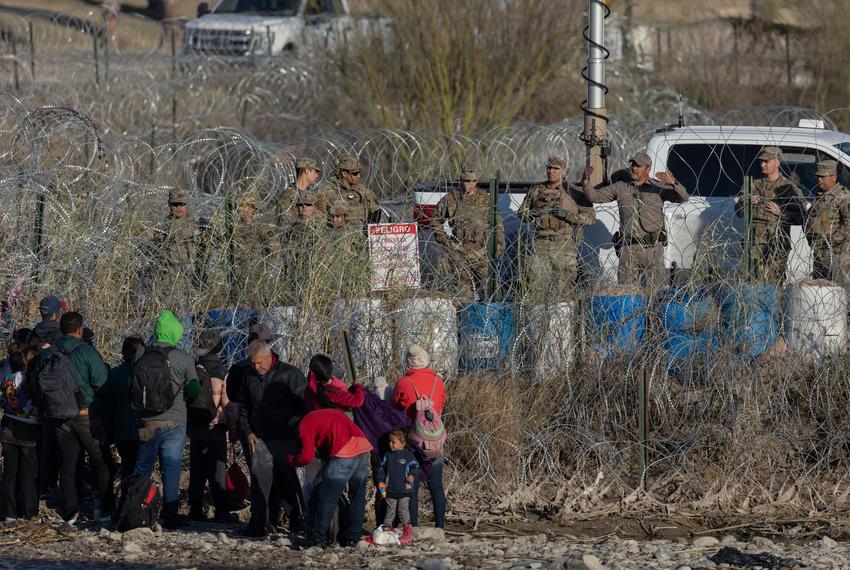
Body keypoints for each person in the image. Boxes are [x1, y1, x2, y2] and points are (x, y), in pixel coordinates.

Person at [33, 311, 109, 523]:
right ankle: (104, 508)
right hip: (85, 414)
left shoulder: (49, 353)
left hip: (57, 416)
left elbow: (35, 381)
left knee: (68, 462)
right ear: (79, 330)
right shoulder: (86, 352)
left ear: (61, 329)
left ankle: (71, 511)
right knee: (99, 460)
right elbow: (102, 382)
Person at [131, 310, 200, 530]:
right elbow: (195, 389)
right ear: (175, 333)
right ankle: (170, 516)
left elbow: (132, 385)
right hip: (176, 421)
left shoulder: (141, 354)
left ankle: (135, 511)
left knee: (142, 468)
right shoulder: (184, 357)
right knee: (171, 469)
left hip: (147, 420)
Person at [580, 152, 689, 287]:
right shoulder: (620, 187)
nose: (634, 168)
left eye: (638, 166)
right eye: (633, 164)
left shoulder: (657, 187)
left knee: (655, 291)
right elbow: (594, 197)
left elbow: (683, 198)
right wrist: (585, 182)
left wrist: (674, 183)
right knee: (626, 291)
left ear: (648, 169)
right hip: (628, 248)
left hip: (652, 248)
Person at [238, 339, 307, 537]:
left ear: (269, 358)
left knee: (287, 480)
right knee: (260, 482)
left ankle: (297, 520)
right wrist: (247, 431)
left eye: (259, 363)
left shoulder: (290, 374)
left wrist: (298, 433)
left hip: (285, 436)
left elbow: (304, 406)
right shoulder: (248, 376)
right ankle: (259, 523)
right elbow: (243, 407)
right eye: (252, 363)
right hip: (259, 437)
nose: (256, 367)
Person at [288, 408, 372, 547]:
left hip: (345, 452)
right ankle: (352, 537)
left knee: (327, 497)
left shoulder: (304, 424)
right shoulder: (324, 414)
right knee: (357, 495)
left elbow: (306, 456)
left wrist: (291, 460)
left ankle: (318, 537)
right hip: (362, 447)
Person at [517, 155, 596, 301]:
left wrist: (567, 216)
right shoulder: (536, 189)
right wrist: (531, 214)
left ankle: (562, 322)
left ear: (564, 172)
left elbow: (590, 218)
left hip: (564, 244)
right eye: (549, 168)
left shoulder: (573, 191)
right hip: (541, 242)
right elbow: (522, 213)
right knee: (536, 287)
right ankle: (539, 322)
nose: (551, 171)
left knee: (563, 290)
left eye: (555, 169)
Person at [432, 163, 505, 301]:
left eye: (473, 181)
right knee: (462, 296)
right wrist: (447, 243)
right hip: (459, 253)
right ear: (461, 179)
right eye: (466, 181)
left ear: (477, 181)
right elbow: (435, 220)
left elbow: (498, 226)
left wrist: (497, 249)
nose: (469, 184)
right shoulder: (451, 199)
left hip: (481, 253)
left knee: (491, 294)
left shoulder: (486, 200)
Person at [391, 344, 446, 528]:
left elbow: (395, 409)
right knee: (436, 486)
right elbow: (441, 406)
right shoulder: (439, 382)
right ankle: (440, 528)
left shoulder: (403, 383)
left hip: (412, 440)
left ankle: (412, 527)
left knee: (411, 486)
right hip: (435, 440)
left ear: (409, 361)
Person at [735, 146, 807, 282]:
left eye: (767, 161)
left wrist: (781, 213)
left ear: (777, 162)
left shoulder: (788, 188)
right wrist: (747, 202)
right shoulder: (753, 185)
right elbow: (738, 212)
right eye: (761, 161)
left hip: (776, 243)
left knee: (774, 282)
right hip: (753, 244)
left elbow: (801, 217)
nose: (762, 164)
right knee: (748, 281)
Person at [188, 330, 230, 522]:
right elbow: (226, 402)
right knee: (218, 470)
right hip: (216, 426)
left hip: (195, 425)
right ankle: (222, 510)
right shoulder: (222, 371)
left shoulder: (192, 368)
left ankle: (195, 510)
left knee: (196, 469)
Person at [0, 340, 41, 521]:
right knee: (28, 472)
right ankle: (29, 510)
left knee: (9, 472)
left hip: (8, 425)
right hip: (30, 429)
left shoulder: (10, 378)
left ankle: (9, 512)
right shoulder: (35, 380)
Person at [96, 336, 143, 484]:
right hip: (140, 429)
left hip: (121, 430)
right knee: (138, 468)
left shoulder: (115, 374)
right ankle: (135, 500)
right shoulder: (144, 373)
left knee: (127, 466)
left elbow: (107, 404)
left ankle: (126, 499)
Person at [230, 192, 283, 306]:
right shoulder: (235, 229)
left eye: (243, 206)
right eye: (239, 206)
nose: (239, 209)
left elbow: (275, 251)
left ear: (252, 208)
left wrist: (265, 274)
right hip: (238, 282)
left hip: (256, 284)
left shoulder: (262, 227)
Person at [805, 160, 850, 286]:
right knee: (821, 290)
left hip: (837, 253)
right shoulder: (818, 197)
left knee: (839, 290)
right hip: (820, 252)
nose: (819, 180)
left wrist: (832, 240)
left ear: (833, 177)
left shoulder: (843, 196)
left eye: (823, 177)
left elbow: (848, 223)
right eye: (818, 177)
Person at [151, 187, 201, 298]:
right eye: (175, 204)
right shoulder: (161, 227)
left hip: (192, 276)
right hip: (169, 277)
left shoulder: (197, 224)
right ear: (169, 204)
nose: (179, 207)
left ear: (187, 204)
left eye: (182, 204)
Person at [316, 154, 382, 229]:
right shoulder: (326, 192)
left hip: (360, 237)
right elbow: (319, 219)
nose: (358, 176)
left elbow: (376, 214)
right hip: (336, 238)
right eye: (355, 173)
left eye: (359, 173)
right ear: (344, 173)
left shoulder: (363, 192)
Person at [377, 428, 419, 541]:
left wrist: (412, 475)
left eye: (393, 442)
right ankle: (387, 532)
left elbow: (416, 467)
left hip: (404, 490)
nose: (391, 444)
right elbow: (381, 469)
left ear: (403, 443)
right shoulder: (388, 455)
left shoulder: (408, 455)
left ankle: (407, 532)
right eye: (390, 441)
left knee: (403, 511)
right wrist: (380, 481)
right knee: (390, 511)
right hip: (390, 490)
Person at [276, 157, 321, 226]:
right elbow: (285, 221)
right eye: (315, 172)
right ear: (306, 171)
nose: (317, 175)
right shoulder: (289, 195)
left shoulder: (312, 195)